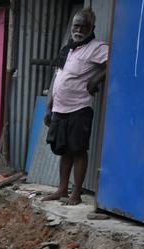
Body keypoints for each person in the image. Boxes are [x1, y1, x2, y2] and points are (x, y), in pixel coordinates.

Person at [43, 8, 109, 205]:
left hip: (79, 108)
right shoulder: (69, 48)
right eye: (76, 26)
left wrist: (96, 79)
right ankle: (62, 189)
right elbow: (58, 78)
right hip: (59, 109)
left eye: (83, 27)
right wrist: (49, 107)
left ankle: (76, 194)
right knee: (64, 150)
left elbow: (116, 60)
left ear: (92, 28)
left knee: (78, 150)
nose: (78, 30)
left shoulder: (96, 48)